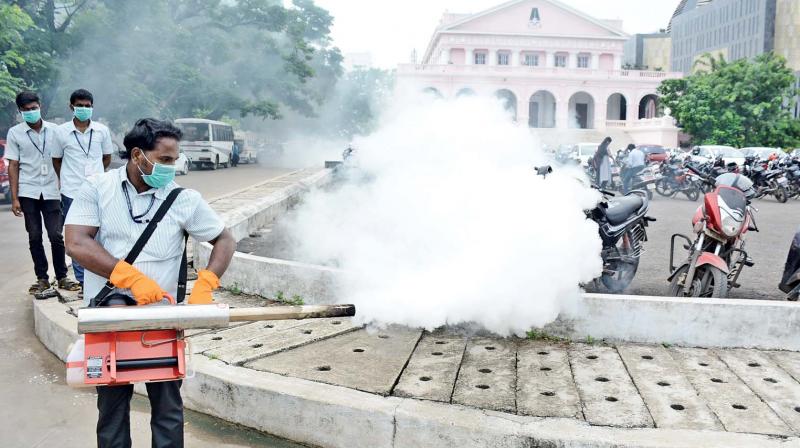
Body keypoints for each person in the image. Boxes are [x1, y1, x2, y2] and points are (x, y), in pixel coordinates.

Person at [65, 118, 236, 447]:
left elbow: (225, 240)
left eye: (176, 158)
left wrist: (206, 284)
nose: (173, 167)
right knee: (112, 407)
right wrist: (128, 277)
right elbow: (76, 242)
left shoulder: (183, 198)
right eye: (165, 160)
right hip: (109, 318)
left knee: (168, 407)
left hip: (162, 318)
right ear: (137, 155)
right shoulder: (97, 188)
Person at [5, 91, 81, 294]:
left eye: (34, 108)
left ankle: (63, 276)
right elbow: (13, 165)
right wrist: (14, 198)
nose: (31, 112)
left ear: (40, 107)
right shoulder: (15, 133)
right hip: (28, 191)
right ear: (20, 111)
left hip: (52, 190)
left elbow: (66, 158)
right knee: (34, 236)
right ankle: (42, 278)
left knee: (56, 235)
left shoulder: (56, 130)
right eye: (27, 110)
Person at [52, 89, 114, 295]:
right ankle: (83, 280)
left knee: (101, 233)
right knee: (76, 237)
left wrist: (97, 177)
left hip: (98, 189)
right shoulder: (60, 132)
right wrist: (67, 179)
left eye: (88, 106)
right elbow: (57, 160)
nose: (84, 109)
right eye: (80, 105)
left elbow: (106, 158)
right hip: (71, 190)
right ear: (71, 107)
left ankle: (102, 273)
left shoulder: (102, 131)